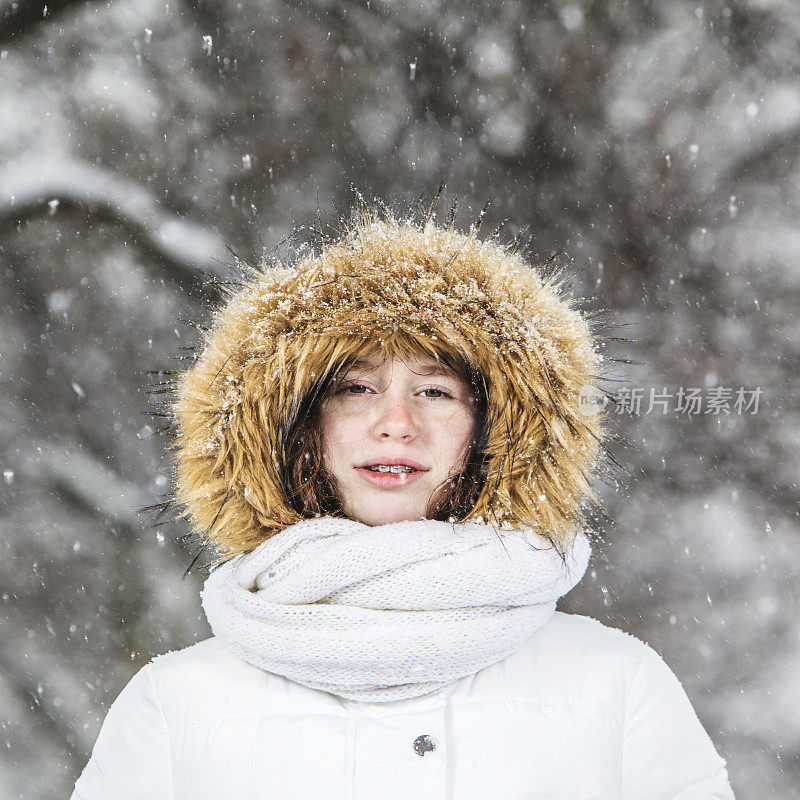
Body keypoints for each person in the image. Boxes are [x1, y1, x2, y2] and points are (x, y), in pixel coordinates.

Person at [70, 212, 735, 799]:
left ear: (497, 429)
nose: (395, 423)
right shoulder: (175, 706)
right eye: (356, 387)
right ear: (298, 425)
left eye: (436, 391)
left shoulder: (616, 688)